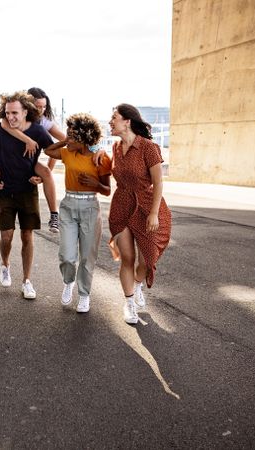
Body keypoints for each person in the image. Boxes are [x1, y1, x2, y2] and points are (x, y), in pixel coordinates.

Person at [0, 91, 53, 299]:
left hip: (27, 190)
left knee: (27, 235)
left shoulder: (38, 131)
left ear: (25, 112)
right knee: (6, 236)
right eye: (7, 113)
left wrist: (42, 174)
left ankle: (27, 281)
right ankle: (5, 265)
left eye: (15, 113)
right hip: (3, 190)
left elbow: (55, 152)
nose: (10, 117)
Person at [108, 103, 171, 324]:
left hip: (147, 205)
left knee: (147, 259)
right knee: (128, 258)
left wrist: (153, 213)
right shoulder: (115, 148)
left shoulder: (148, 147)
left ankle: (137, 285)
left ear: (127, 121)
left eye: (114, 117)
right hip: (122, 205)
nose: (110, 121)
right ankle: (129, 303)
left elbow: (158, 182)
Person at [43, 113, 111, 313]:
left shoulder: (101, 158)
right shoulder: (67, 153)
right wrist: (65, 140)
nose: (67, 139)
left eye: (72, 136)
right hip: (68, 206)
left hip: (90, 207)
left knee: (87, 257)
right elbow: (48, 150)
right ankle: (68, 282)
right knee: (66, 255)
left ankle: (84, 294)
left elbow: (107, 190)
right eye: (68, 135)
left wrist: (95, 184)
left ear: (84, 138)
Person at [0, 87, 66, 237]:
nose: (41, 110)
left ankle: (54, 215)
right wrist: (28, 140)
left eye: (44, 107)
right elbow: (4, 125)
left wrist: (44, 175)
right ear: (28, 105)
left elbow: (54, 148)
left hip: (31, 160)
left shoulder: (44, 123)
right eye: (37, 106)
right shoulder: (9, 117)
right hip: (8, 162)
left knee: (46, 172)